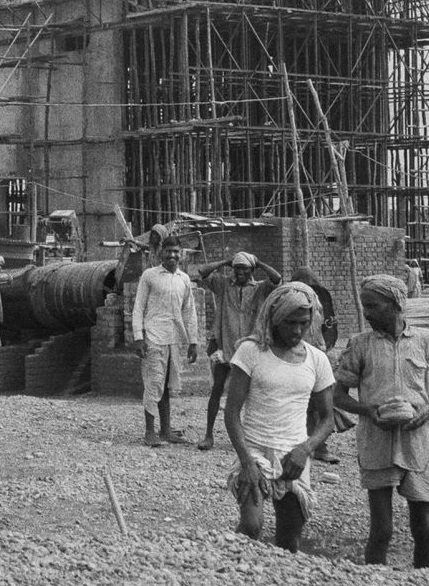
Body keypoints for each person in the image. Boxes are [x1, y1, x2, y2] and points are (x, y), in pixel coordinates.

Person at [333, 274, 429, 569]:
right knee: (382, 530)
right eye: (365, 306)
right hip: (376, 443)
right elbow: (337, 395)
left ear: (395, 305)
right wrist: (369, 410)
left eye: (373, 306)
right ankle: (376, 585)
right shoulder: (360, 344)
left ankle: (423, 582)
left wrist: (427, 411)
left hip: (417, 445)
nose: (367, 312)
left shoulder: (425, 341)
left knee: (424, 528)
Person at [223, 281, 336, 553]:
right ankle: (231, 566)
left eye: (303, 323)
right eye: (290, 323)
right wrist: (246, 460)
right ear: (274, 319)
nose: (297, 330)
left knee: (289, 537)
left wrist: (305, 449)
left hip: (294, 455)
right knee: (251, 526)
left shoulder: (316, 360)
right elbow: (231, 413)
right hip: (255, 450)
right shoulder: (251, 352)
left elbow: (328, 418)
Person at [189, 251, 280, 450]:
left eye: (244, 269)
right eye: (237, 268)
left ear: (251, 271)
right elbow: (202, 272)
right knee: (217, 389)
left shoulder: (259, 288)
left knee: (254, 393)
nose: (239, 272)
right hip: (226, 344)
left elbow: (277, 278)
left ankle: (252, 437)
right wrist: (225, 261)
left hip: (251, 348)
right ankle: (208, 435)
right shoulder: (223, 285)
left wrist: (259, 261)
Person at [131, 237, 199, 447]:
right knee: (153, 383)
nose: (172, 255)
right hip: (153, 337)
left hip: (174, 340)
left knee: (168, 384)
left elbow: (190, 312)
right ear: (161, 253)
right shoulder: (149, 276)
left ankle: (166, 430)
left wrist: (193, 341)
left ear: (182, 254)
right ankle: (149, 432)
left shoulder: (184, 279)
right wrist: (138, 338)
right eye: (168, 251)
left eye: (176, 252)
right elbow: (138, 308)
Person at [290, 266, 342, 463]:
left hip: (317, 354)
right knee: (300, 403)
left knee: (322, 403)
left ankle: (320, 446)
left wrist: (326, 346)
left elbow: (330, 323)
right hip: (295, 356)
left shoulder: (321, 297)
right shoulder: (289, 300)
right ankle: (298, 444)